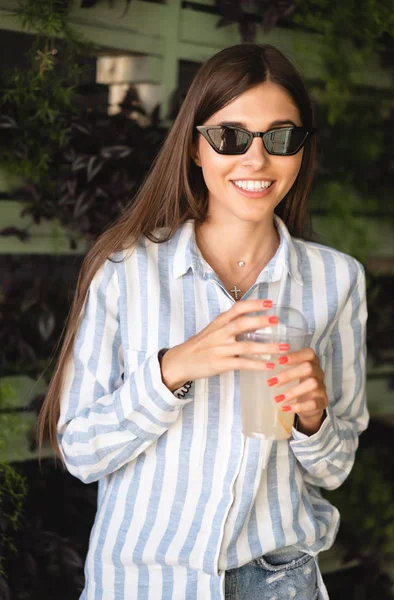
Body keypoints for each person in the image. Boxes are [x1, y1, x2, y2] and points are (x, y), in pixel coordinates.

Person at [38, 43, 368, 600]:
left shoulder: (337, 281)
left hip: (278, 581)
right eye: (231, 136)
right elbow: (81, 452)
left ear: (302, 152)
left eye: (281, 138)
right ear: (195, 147)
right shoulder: (126, 270)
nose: (256, 161)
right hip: (143, 582)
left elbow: (333, 469)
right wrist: (172, 370)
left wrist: (313, 420)